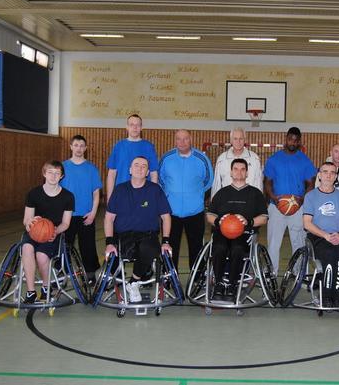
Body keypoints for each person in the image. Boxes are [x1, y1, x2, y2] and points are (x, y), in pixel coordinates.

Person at [104, 157, 172, 303]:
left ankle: (133, 283)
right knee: (132, 251)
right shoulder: (120, 189)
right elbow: (109, 218)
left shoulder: (155, 190)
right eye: (136, 165)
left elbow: (166, 217)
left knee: (149, 249)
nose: (140, 168)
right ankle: (136, 279)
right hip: (125, 236)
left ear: (148, 172)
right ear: (130, 170)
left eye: (144, 166)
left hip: (148, 235)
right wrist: (109, 242)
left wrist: (166, 241)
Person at [207, 158, 268, 301]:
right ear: (231, 172)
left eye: (242, 169)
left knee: (237, 249)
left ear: (247, 173)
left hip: (244, 233)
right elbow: (210, 215)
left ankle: (233, 285)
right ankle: (219, 283)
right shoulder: (222, 193)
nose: (239, 172)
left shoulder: (255, 193)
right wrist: (218, 221)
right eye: (236, 169)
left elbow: (264, 218)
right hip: (222, 232)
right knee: (219, 248)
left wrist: (249, 222)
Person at [263, 127, 317, 274]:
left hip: (297, 208)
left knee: (298, 242)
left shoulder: (304, 160)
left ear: (299, 141)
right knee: (273, 243)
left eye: (295, 140)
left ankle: (299, 273)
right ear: (285, 139)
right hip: (276, 206)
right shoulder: (274, 159)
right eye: (290, 139)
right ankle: (271, 273)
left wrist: (302, 200)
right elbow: (267, 181)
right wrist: (273, 197)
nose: (292, 142)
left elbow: (311, 183)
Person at [159, 129, 213, 270]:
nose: (182, 142)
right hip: (170, 212)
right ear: (175, 140)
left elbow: (208, 181)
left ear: (191, 139)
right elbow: (160, 180)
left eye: (185, 139)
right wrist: (170, 195)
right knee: (170, 246)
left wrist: (196, 195)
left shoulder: (202, 159)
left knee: (196, 247)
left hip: (195, 211)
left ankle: (196, 278)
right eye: (179, 139)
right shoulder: (166, 158)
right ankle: (170, 277)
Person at [22, 161, 74, 303]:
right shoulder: (33, 193)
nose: (53, 176)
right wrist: (29, 224)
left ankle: (46, 287)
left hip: (53, 233)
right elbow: (27, 219)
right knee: (27, 248)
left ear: (62, 176)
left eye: (57, 173)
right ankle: (30, 292)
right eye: (50, 172)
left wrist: (55, 232)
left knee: (41, 256)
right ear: (44, 173)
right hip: (34, 231)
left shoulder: (68, 196)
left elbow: (66, 223)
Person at [303, 162, 339, 308]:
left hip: (337, 235)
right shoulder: (311, 196)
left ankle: (338, 297)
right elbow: (307, 223)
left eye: (332, 172)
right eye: (325, 172)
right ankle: (325, 296)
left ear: (336, 176)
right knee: (329, 253)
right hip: (318, 236)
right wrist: (325, 235)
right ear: (319, 175)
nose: (328, 175)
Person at [61, 135, 102, 284]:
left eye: (81, 145)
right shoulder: (63, 167)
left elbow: (96, 193)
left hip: (86, 215)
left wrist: (93, 213)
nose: (79, 148)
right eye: (76, 145)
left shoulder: (91, 168)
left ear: (85, 148)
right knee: (64, 246)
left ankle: (90, 275)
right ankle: (61, 275)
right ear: (71, 147)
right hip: (67, 215)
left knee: (88, 246)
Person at [106, 114, 158, 202]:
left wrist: (152, 196)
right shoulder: (119, 146)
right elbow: (111, 174)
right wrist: (109, 198)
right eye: (132, 125)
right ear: (127, 127)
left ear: (141, 128)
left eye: (137, 125)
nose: (135, 127)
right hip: (122, 195)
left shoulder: (149, 146)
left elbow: (153, 173)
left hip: (143, 195)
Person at [211, 127, 262, 198]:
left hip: (249, 201)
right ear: (231, 140)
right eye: (235, 139)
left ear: (245, 140)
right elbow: (217, 184)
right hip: (227, 201)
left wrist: (259, 203)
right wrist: (214, 204)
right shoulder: (221, 159)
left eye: (241, 139)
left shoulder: (254, 158)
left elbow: (259, 184)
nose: (238, 142)